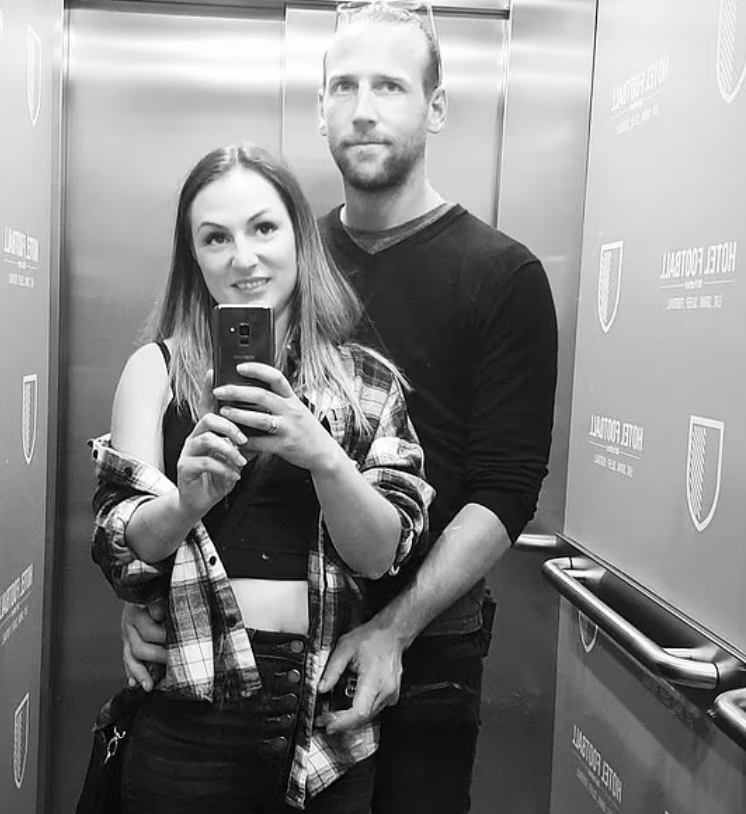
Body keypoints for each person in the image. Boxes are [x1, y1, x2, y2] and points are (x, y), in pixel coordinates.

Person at [121, 2, 558, 812]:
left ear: (434, 106)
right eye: (344, 87)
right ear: (319, 109)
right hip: (266, 668)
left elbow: (506, 489)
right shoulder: (280, 260)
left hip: (426, 644)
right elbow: (169, 488)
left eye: (389, 85)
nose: (363, 108)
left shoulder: (504, 276)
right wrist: (158, 606)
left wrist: (396, 629)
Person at [90, 143, 433, 813]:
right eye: (215, 238)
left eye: (263, 228)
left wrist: (323, 455)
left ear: (299, 237)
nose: (243, 257)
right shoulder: (156, 373)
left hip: (326, 725)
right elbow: (120, 556)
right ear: (194, 259)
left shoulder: (366, 384)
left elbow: (382, 555)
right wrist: (185, 502)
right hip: (192, 723)